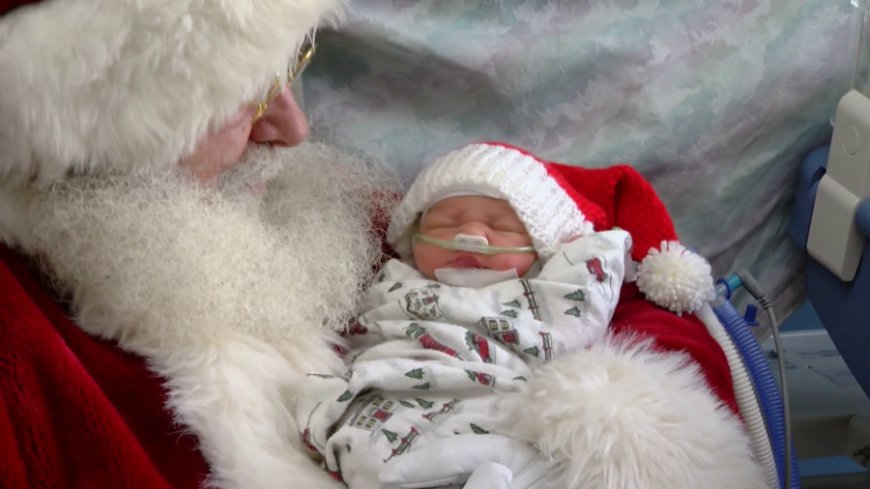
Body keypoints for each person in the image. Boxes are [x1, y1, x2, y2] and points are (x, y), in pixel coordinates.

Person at [0, 2, 767, 489]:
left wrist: (624, 425)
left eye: (290, 68)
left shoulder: (299, 202)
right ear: (96, 141)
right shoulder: (26, 366)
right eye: (244, 103)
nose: (293, 129)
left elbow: (610, 229)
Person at [298, 142, 637, 487]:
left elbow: (592, 274)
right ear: (412, 238)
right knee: (363, 452)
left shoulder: (541, 292)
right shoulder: (392, 280)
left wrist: (588, 242)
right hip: (388, 394)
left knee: (527, 456)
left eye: (500, 227)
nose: (469, 236)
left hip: (492, 398)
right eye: (447, 222)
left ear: (541, 247)